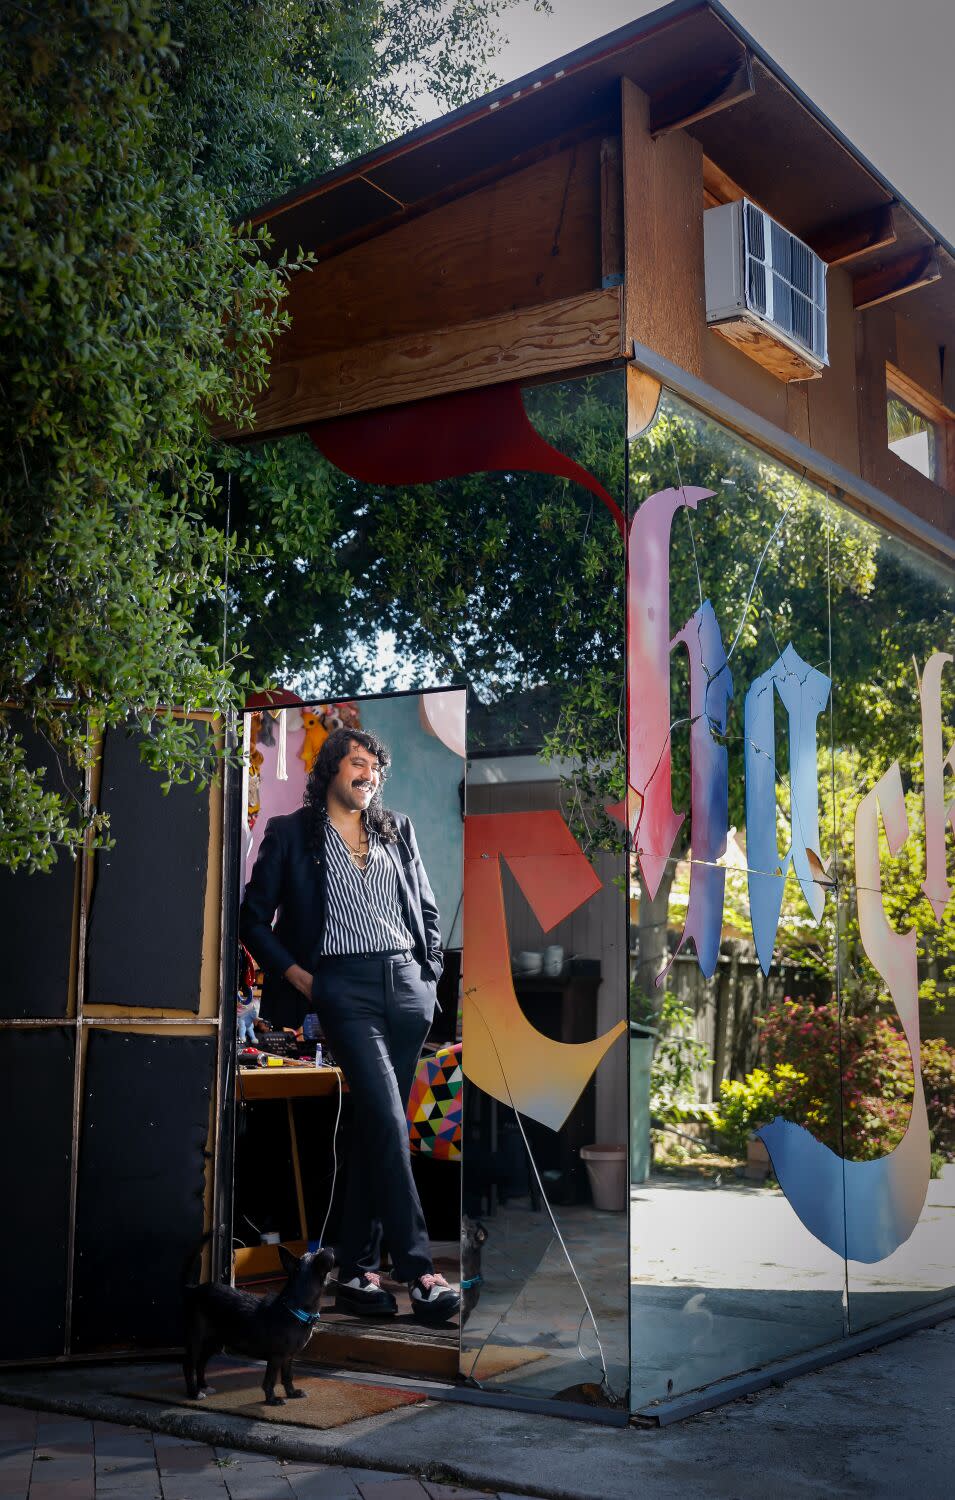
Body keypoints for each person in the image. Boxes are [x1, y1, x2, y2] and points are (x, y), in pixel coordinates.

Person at [239, 725, 459, 1326]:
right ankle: (419, 1270)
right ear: (332, 769)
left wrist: (428, 973)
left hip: (406, 988)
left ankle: (357, 1269)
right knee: (387, 1117)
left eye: (375, 768)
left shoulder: (398, 830)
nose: (369, 775)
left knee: (373, 1129)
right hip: (344, 988)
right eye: (358, 763)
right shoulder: (290, 834)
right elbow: (251, 919)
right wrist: (303, 979)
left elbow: (428, 910)